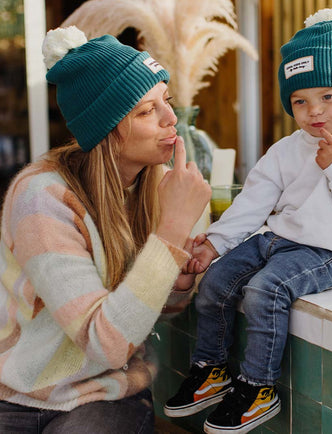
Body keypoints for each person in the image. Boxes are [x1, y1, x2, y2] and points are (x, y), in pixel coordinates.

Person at [164, 8, 332, 434]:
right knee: (217, 281)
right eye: (300, 101)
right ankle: (211, 368)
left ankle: (259, 387)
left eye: (328, 97)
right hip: (276, 240)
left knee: (264, 290)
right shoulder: (286, 149)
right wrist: (214, 244)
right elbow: (253, 202)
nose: (314, 111)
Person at [0, 25, 211, 433]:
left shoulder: (160, 187)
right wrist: (170, 233)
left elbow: (135, 320)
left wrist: (178, 283)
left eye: (165, 101)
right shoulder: (42, 199)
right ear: (106, 132)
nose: (172, 119)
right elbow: (106, 341)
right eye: (147, 111)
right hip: (15, 396)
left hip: (103, 395)